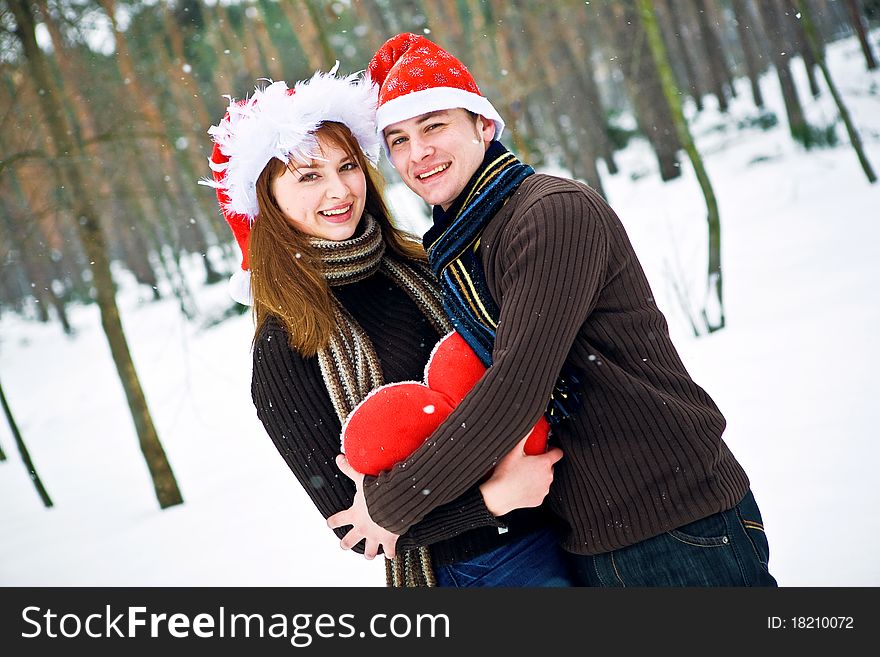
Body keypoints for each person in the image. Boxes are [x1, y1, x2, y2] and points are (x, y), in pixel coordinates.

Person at [328, 34, 778, 587]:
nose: (417, 153)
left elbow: (517, 388)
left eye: (434, 125)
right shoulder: (462, 243)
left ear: (483, 125)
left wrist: (394, 501)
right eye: (398, 139)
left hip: (675, 521)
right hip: (589, 534)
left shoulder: (549, 214)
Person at [201, 68, 573, 587]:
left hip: (574, 520)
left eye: (347, 166)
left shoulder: (430, 264)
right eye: (308, 176)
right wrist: (491, 502)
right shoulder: (284, 344)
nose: (339, 190)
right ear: (265, 200)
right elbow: (356, 527)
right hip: (477, 571)